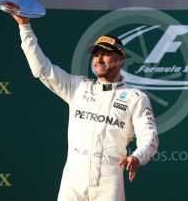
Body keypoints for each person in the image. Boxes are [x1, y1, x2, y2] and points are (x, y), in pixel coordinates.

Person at [11, 15, 159, 201]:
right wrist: (25, 28)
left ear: (121, 58)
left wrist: (137, 157)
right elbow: (42, 69)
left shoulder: (135, 97)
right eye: (96, 54)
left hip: (109, 179)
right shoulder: (78, 87)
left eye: (105, 53)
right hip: (73, 178)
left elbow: (150, 137)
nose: (98, 59)